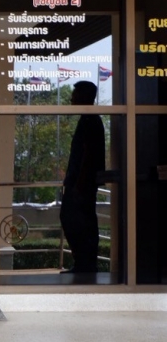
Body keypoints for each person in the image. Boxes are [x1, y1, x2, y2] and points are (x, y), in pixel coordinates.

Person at [60, 80, 105, 275]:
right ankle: (84, 264)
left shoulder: (90, 120)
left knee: (77, 222)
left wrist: (79, 183)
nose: (72, 98)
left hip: (82, 184)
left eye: (75, 94)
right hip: (82, 183)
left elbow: (88, 155)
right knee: (79, 222)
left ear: (85, 97)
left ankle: (85, 264)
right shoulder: (89, 119)